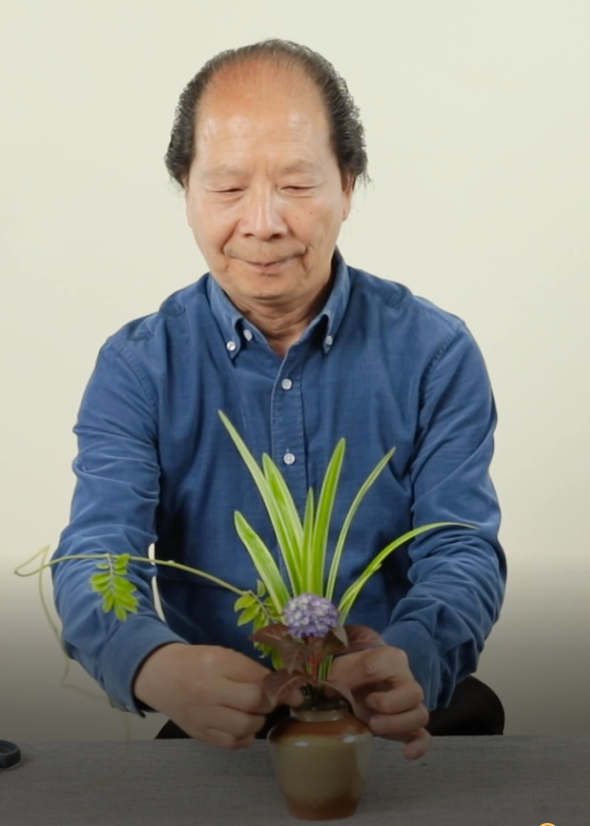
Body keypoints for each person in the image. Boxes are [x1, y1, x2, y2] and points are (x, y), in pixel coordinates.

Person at [51, 39, 505, 761]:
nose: (262, 223)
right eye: (228, 189)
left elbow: (461, 548)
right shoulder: (138, 367)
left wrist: (410, 657)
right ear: (186, 190)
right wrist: (155, 665)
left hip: (395, 712)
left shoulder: (433, 352)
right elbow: (97, 554)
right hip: (223, 726)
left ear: (347, 185)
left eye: (295, 184)